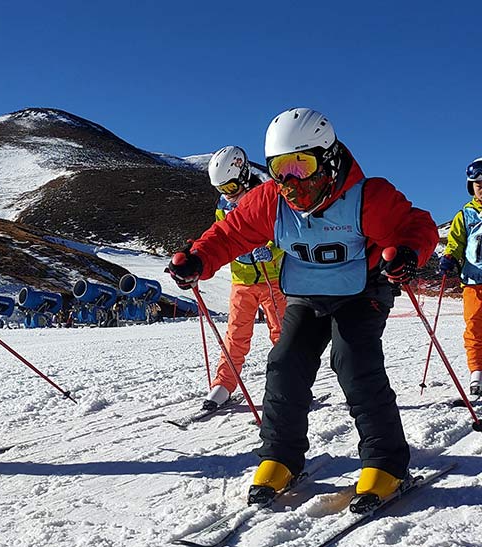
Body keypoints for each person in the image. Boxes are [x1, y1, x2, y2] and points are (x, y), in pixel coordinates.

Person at [167, 108, 438, 512]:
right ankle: (281, 458)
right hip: (308, 292)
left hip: (362, 289)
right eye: (279, 169)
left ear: (327, 159)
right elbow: (230, 233)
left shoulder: (368, 197)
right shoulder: (270, 201)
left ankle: (387, 465)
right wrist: (197, 259)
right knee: (285, 361)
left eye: (301, 165)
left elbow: (417, 226)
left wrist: (409, 255)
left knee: (352, 358)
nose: (290, 181)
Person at [201, 146, 287, 410]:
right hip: (242, 280)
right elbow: (222, 234)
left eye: (230, 187)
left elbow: (285, 234)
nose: (227, 195)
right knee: (236, 335)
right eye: (221, 190)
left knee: (282, 334)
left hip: (272, 277)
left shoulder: (270, 196)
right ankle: (223, 385)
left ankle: (288, 384)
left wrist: (271, 249)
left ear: (244, 174)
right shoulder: (223, 206)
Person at [440, 157, 482, 395]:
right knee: (475, 326)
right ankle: (477, 372)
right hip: (474, 281)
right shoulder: (465, 216)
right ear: (471, 187)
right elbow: (455, 242)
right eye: (478, 184)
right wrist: (449, 257)